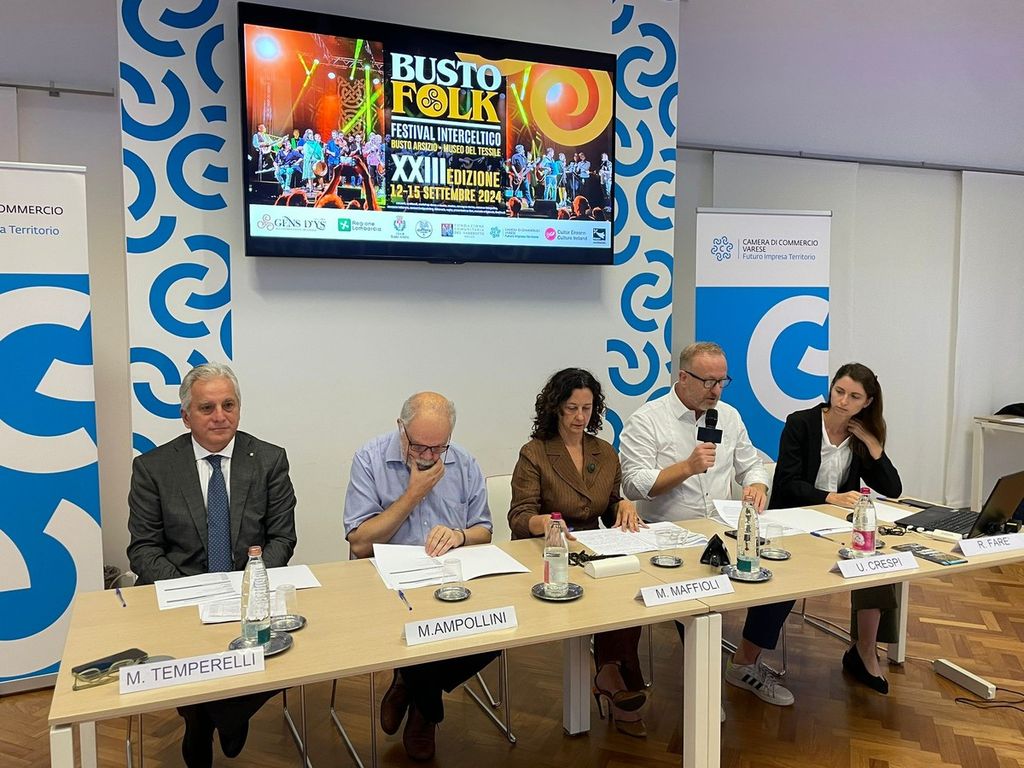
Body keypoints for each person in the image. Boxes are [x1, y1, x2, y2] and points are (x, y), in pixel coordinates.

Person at [127, 363, 297, 768]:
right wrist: (196, 592)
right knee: (186, 651)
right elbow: (144, 551)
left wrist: (246, 589)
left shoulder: (269, 459)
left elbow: (282, 539)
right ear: (186, 416)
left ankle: (216, 714)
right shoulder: (153, 468)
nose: (220, 416)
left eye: (229, 405)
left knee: (290, 646)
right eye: (207, 408)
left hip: (248, 594)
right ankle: (211, 717)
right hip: (180, 593)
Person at [619, 342, 795, 711]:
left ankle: (743, 663)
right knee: (698, 597)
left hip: (722, 528)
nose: (716, 390)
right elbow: (633, 484)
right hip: (669, 535)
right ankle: (705, 695)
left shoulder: (728, 416)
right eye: (708, 382)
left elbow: (752, 464)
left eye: (722, 382)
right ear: (683, 377)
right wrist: (686, 467)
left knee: (783, 580)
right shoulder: (647, 420)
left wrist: (757, 485)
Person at [343, 392, 497, 761]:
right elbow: (359, 543)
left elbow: (484, 530)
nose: (428, 456)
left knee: (500, 628)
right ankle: (427, 712)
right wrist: (412, 495)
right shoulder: (369, 458)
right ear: (401, 428)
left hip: (449, 581)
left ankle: (408, 684)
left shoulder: (464, 462)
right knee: (415, 629)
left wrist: (460, 536)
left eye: (438, 447)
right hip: (388, 585)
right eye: (418, 446)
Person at [509, 368, 648, 736]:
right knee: (605, 593)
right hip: (549, 552)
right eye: (572, 408)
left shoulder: (604, 452)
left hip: (593, 548)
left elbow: (608, 505)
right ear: (555, 407)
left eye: (587, 409)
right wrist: (545, 523)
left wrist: (623, 506)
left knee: (628, 592)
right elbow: (519, 516)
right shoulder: (535, 453)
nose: (579, 417)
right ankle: (616, 680)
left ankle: (612, 674)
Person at [771, 362, 902, 693]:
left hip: (836, 527)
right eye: (839, 391)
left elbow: (893, 488)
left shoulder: (860, 436)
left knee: (876, 561)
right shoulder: (801, 423)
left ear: (867, 402)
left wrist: (873, 445)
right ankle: (750, 653)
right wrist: (831, 497)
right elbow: (786, 484)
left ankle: (864, 651)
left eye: (854, 396)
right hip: (791, 522)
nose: (843, 401)